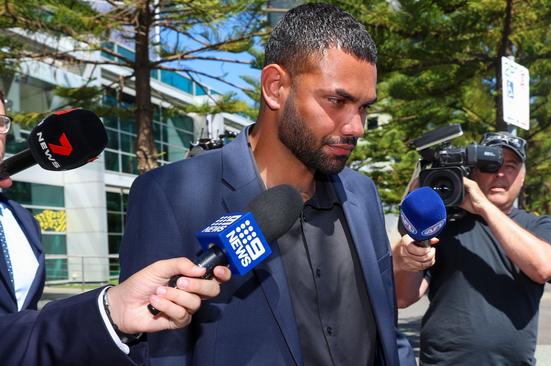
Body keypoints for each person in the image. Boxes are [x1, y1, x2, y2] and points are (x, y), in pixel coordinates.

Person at [119, 3, 415, 365]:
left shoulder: (362, 194)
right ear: (275, 87)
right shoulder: (170, 195)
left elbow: (385, 326)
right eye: (337, 101)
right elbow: (155, 354)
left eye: (364, 107)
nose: (356, 127)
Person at [0, 90, 232, 365]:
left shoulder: (22, 220)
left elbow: (21, 329)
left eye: (1, 122)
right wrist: (105, 313)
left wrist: (114, 311)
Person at [393, 132, 551, 365]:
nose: (501, 173)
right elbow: (404, 298)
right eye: (490, 165)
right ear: (473, 173)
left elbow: (545, 268)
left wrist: (482, 206)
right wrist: (414, 240)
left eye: (511, 166)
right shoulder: (443, 226)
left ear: (522, 178)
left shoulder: (538, 226)